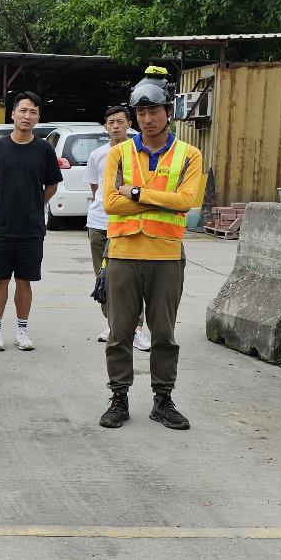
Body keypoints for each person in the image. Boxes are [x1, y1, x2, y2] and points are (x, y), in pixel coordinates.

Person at [99, 72, 206, 430]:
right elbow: (111, 204)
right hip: (123, 253)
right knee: (120, 331)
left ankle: (163, 398)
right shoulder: (118, 154)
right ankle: (119, 397)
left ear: (168, 112)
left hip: (166, 256)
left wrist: (138, 194)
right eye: (141, 112)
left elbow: (185, 203)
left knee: (163, 332)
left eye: (154, 111)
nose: (147, 118)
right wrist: (158, 202)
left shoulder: (189, 156)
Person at [0, 90, 61, 351]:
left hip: (31, 229)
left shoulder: (44, 150)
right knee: (0, 280)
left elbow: (51, 186)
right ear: (13, 114)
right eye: (23, 111)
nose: (27, 116)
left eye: (33, 112)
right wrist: (1, 206)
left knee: (25, 281)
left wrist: (34, 205)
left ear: (38, 117)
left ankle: (22, 330)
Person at [88, 105, 150, 349]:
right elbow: (96, 189)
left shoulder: (139, 153)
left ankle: (136, 328)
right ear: (105, 127)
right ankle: (113, 323)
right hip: (99, 224)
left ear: (129, 124)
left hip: (128, 224)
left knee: (133, 279)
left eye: (120, 121)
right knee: (104, 278)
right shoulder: (97, 155)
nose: (115, 126)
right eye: (111, 122)